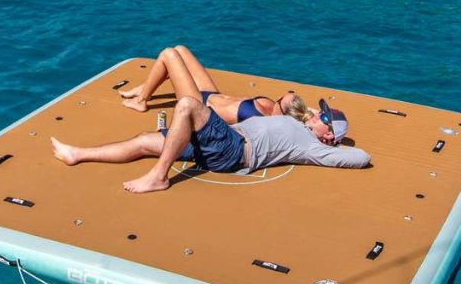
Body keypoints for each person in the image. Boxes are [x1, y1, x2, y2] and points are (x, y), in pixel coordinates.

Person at [51, 96, 370, 194]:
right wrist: (309, 119)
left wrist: (333, 146)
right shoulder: (300, 124)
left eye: (323, 117)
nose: (316, 114)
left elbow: (362, 157)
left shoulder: (314, 147)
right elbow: (289, 100)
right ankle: (77, 154)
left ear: (329, 134)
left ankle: (159, 177)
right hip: (224, 141)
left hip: (233, 149)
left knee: (189, 105)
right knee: (145, 140)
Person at [121, 45, 302, 125]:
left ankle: (141, 101)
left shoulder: (263, 122)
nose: (277, 98)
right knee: (181, 50)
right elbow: (303, 113)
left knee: (169, 54)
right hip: (211, 94)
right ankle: (146, 88)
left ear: (283, 114)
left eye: (280, 101)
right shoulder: (274, 109)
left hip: (198, 105)